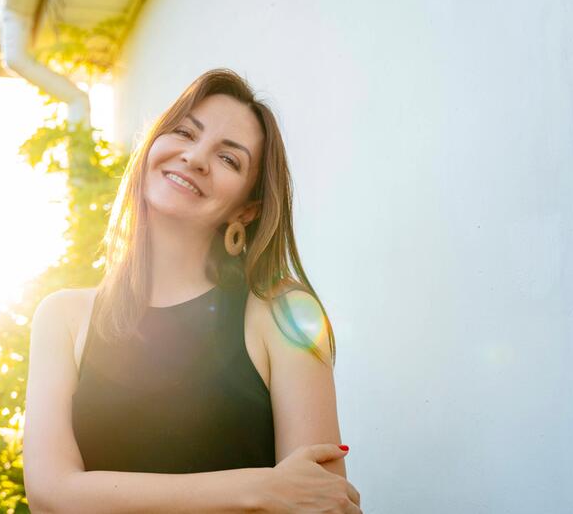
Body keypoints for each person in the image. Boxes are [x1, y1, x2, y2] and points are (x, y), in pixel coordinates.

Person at [23, 68, 362, 513]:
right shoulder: (62, 317)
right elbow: (50, 494)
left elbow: (322, 503)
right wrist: (263, 490)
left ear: (247, 208)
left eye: (229, 159)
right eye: (185, 132)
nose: (196, 157)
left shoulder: (283, 314)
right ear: (151, 149)